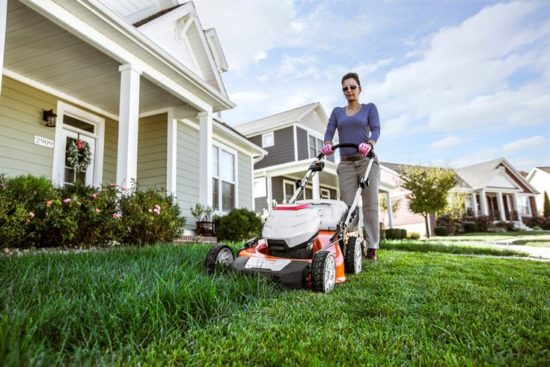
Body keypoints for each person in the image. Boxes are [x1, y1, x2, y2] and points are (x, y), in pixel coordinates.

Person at [322, 72, 381, 260]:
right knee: (347, 206)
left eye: (352, 87)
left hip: (366, 161)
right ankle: (351, 243)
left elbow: (376, 128)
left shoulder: (369, 108)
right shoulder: (337, 112)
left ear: (360, 89)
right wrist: (327, 143)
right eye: (345, 88)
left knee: (370, 204)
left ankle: (372, 246)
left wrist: (370, 143)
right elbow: (329, 131)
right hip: (346, 164)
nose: (349, 90)